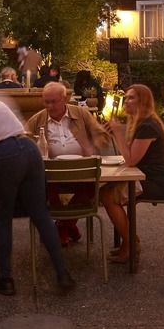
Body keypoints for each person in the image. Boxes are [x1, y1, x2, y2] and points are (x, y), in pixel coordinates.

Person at [0, 73, 75, 297]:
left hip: (4, 155)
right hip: (29, 149)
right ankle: (63, 273)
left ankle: (5, 279)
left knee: (1, 219)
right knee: (42, 215)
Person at [25, 82, 110, 246]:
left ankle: (62, 226)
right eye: (46, 101)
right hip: (51, 174)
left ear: (64, 99)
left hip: (81, 171)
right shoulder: (38, 119)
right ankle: (67, 225)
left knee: (93, 186)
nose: (49, 106)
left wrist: (94, 144)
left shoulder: (81, 114)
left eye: (54, 101)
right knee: (45, 186)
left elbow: (101, 136)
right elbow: (22, 139)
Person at [99, 84, 164, 263]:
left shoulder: (148, 126)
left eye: (131, 98)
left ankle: (130, 244)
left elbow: (131, 160)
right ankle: (129, 241)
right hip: (146, 176)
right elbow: (128, 155)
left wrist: (118, 134)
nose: (126, 101)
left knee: (109, 195)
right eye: (125, 97)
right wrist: (114, 134)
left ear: (143, 101)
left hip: (159, 182)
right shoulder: (141, 122)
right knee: (106, 191)